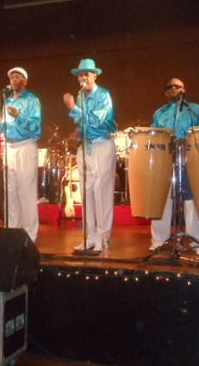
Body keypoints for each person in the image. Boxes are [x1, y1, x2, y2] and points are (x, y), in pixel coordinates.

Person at [150, 78, 199, 255]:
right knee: (161, 200)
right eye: (170, 87)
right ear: (165, 92)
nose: (175, 89)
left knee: (192, 200)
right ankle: (159, 240)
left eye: (178, 86)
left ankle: (197, 241)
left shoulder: (195, 110)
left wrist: (187, 140)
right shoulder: (159, 113)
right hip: (165, 159)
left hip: (190, 158)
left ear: (184, 90)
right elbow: (154, 135)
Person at [64, 59, 117, 253]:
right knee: (87, 193)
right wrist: (77, 133)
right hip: (86, 147)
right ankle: (89, 237)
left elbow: (96, 121)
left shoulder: (103, 95)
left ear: (95, 76)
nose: (83, 77)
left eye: (87, 74)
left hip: (102, 145)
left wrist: (73, 108)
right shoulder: (80, 97)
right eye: (80, 74)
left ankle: (103, 238)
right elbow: (84, 124)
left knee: (101, 192)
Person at [0, 67, 41, 241]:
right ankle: (12, 233)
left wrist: (18, 115)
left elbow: (35, 126)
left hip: (25, 146)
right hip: (9, 148)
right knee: (10, 193)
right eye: (12, 77)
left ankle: (30, 236)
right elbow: (8, 127)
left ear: (25, 81)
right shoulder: (8, 101)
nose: (14, 80)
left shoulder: (32, 99)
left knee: (26, 192)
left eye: (18, 77)